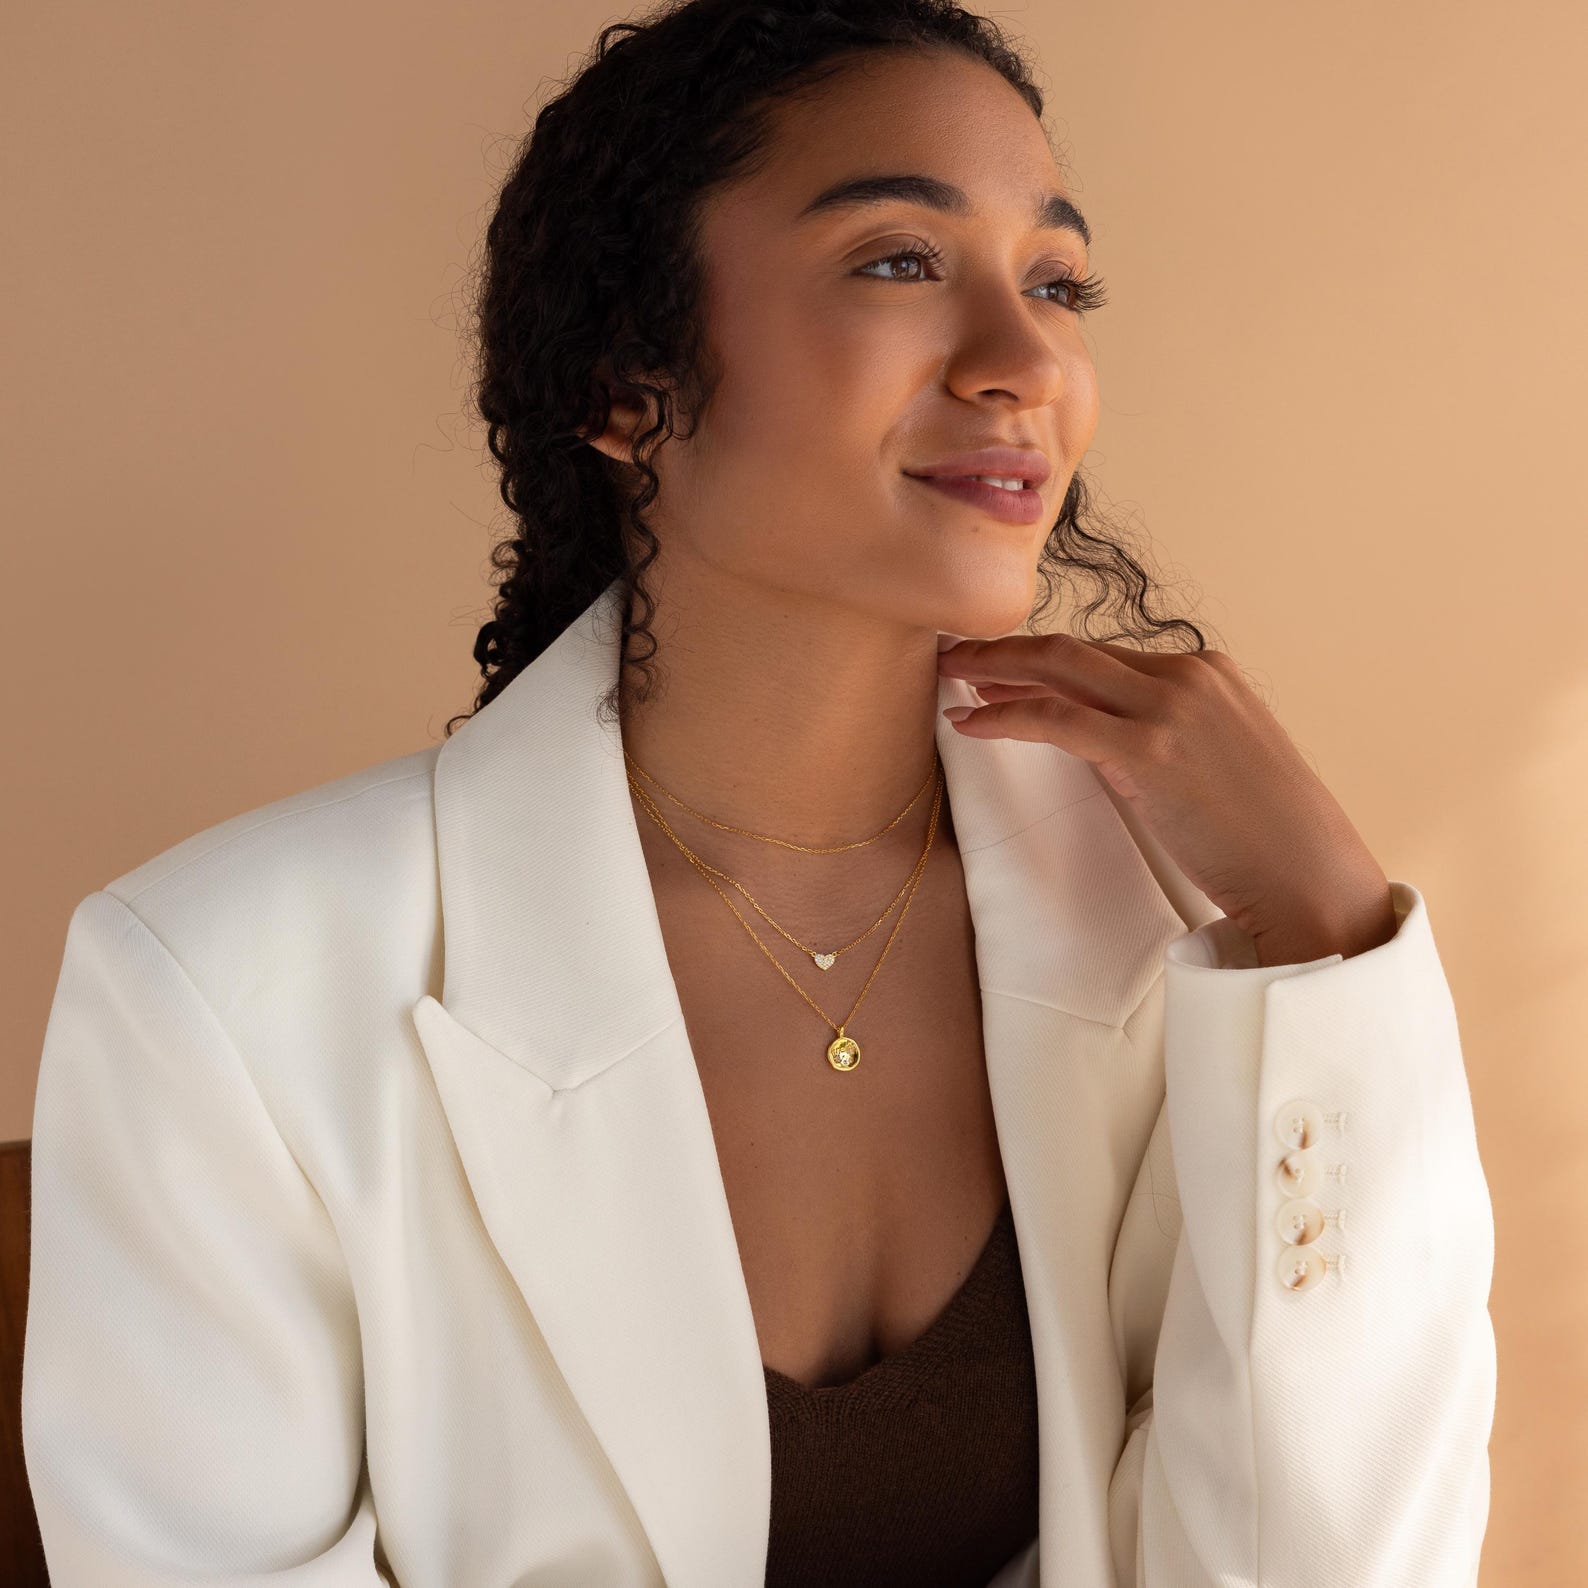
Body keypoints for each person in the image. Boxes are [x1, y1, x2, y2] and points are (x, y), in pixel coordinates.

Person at [21, 1, 1496, 1583]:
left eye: (1057, 283)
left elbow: (1341, 1558)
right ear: (625, 380)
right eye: (900, 261)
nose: (1025, 362)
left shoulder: (1173, 929)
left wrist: (1332, 933)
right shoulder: (221, 993)